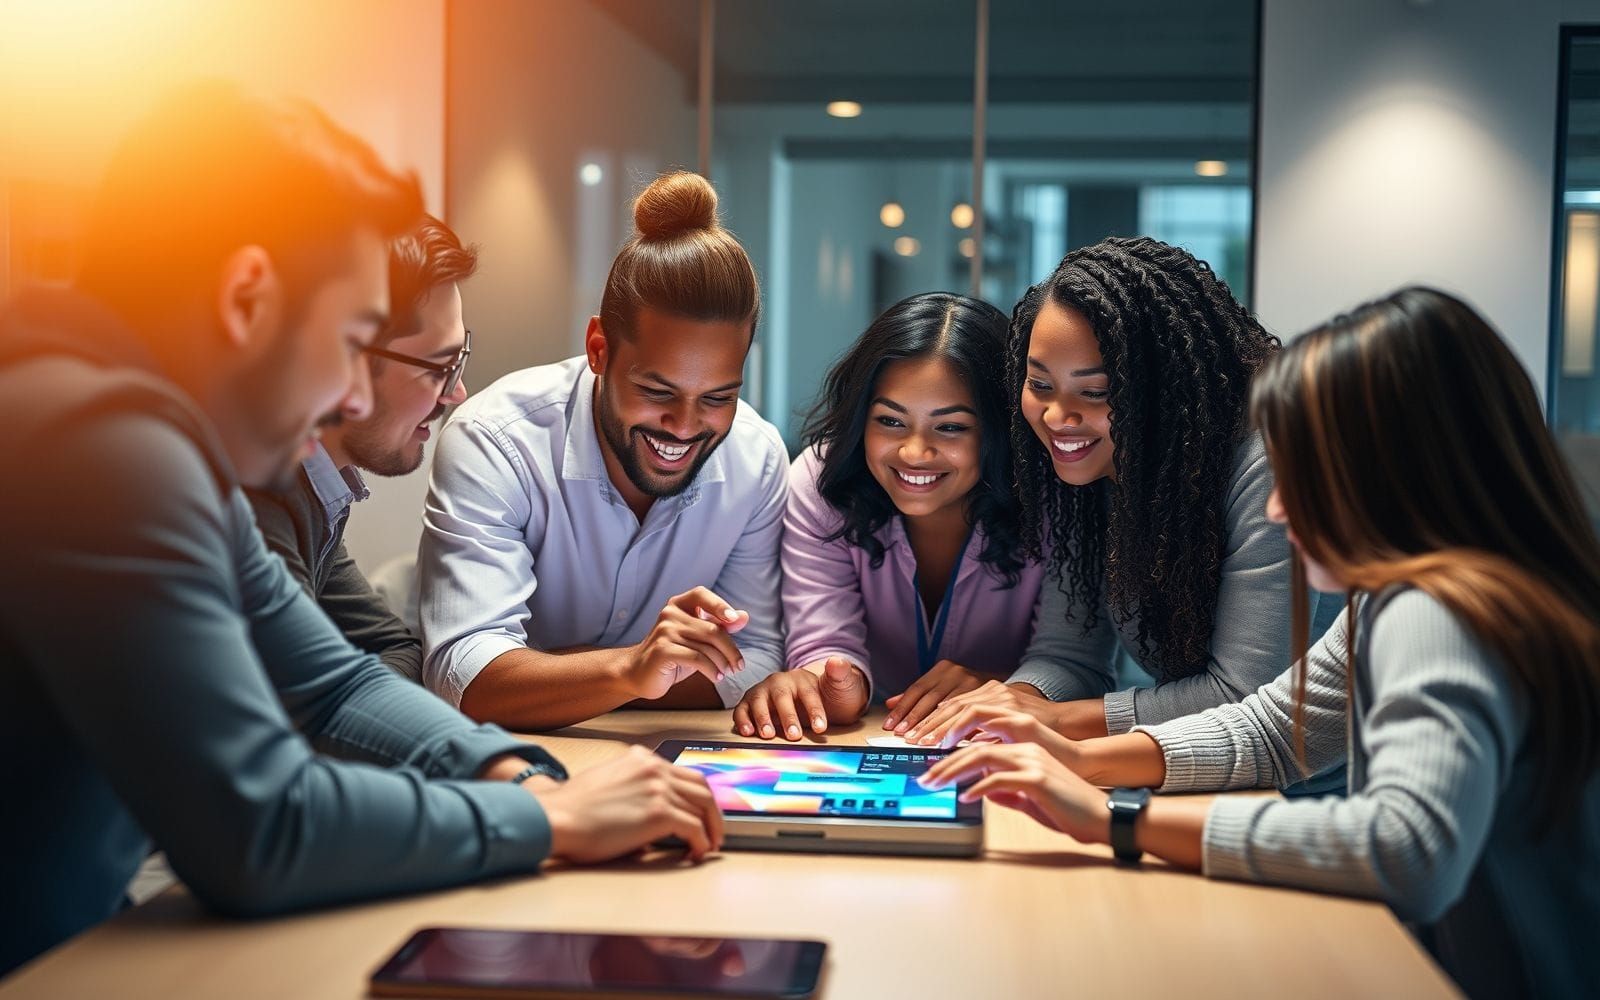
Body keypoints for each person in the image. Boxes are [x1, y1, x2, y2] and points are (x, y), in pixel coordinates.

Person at [0, 83, 721, 977]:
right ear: (246, 297)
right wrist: (544, 818)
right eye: (350, 339)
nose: (350, 397)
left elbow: (335, 686)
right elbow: (259, 825)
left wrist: (519, 775)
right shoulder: (95, 445)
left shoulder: (151, 442)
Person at [919, 288, 1600, 998]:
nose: (1278, 506)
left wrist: (1119, 818)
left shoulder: (1434, 614)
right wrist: (1077, 758)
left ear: (1393, 469)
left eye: (1301, 472)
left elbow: (1408, 851)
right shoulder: (1414, 596)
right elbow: (1275, 728)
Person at [903, 236, 1338, 746]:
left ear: (1166, 386)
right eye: (1040, 385)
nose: (1057, 418)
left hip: (1314, 780)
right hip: (1193, 764)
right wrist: (1016, 701)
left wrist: (1054, 720)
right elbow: (1070, 656)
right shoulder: (1085, 463)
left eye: (1095, 392)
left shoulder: (1267, 465)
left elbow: (1245, 698)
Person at [418, 171, 787, 731]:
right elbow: (465, 678)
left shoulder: (757, 460)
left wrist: (552, 673)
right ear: (598, 349)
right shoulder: (493, 441)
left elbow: (755, 660)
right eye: (657, 391)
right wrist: (631, 669)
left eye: (718, 397)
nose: (685, 426)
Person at [732, 293, 1045, 740]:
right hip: (872, 735)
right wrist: (827, 685)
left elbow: (1071, 659)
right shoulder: (822, 484)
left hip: (1006, 744)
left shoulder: (1050, 498)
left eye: (951, 427)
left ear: (999, 428)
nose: (914, 452)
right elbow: (826, 646)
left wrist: (1007, 690)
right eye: (890, 421)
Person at [245, 213, 475, 681]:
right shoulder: (261, 499)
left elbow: (394, 647)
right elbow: (319, 697)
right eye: (439, 368)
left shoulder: (322, 493)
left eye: (459, 359)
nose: (457, 393)